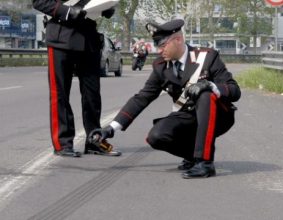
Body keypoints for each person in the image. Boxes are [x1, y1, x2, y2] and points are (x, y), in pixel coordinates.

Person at [89, 19, 241, 178]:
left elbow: (234, 90)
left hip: (217, 117)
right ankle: (193, 156)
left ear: (178, 40)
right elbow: (142, 97)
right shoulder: (161, 66)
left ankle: (204, 162)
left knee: (205, 95)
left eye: (163, 45)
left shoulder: (207, 57)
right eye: (157, 46)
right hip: (188, 117)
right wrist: (110, 128)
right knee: (156, 136)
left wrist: (210, 85)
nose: (159, 50)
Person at [32, 0, 121, 157]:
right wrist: (67, 11)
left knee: (92, 95)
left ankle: (94, 140)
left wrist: (107, 9)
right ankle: (63, 143)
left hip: (89, 40)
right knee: (60, 94)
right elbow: (39, 2)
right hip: (61, 38)